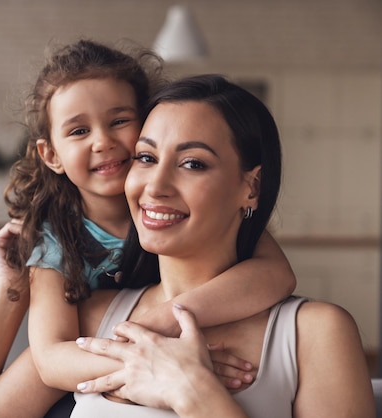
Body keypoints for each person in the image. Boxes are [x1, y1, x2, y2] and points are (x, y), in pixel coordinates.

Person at [0, 40, 295, 417]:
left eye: (119, 121)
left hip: (116, 338)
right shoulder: (56, 235)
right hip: (84, 350)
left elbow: (276, 274)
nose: (103, 142)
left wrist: (155, 328)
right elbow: (52, 360)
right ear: (51, 155)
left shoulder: (180, 211)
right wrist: (156, 360)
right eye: (78, 131)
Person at [68, 74, 375, 417]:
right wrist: (10, 292)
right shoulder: (92, 316)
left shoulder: (315, 333)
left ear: (252, 188)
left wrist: (193, 390)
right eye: (146, 157)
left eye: (193, 163)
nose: (155, 187)